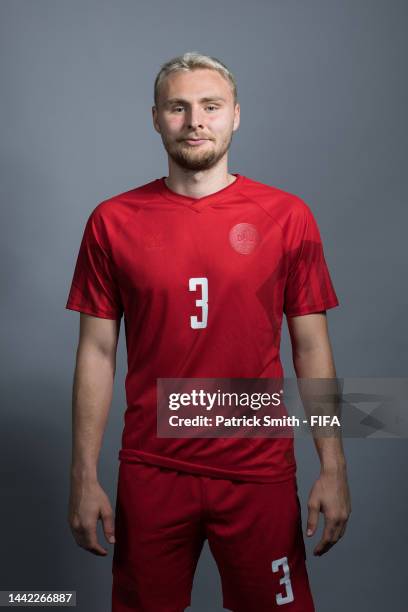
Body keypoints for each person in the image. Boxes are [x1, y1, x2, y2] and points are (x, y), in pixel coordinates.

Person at [66, 51, 351, 612]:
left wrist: (333, 466)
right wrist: (82, 475)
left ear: (235, 116)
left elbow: (311, 347)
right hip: (152, 471)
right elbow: (98, 353)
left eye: (210, 106)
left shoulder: (287, 216)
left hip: (257, 471)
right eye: (178, 107)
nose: (195, 120)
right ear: (156, 118)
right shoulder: (112, 220)